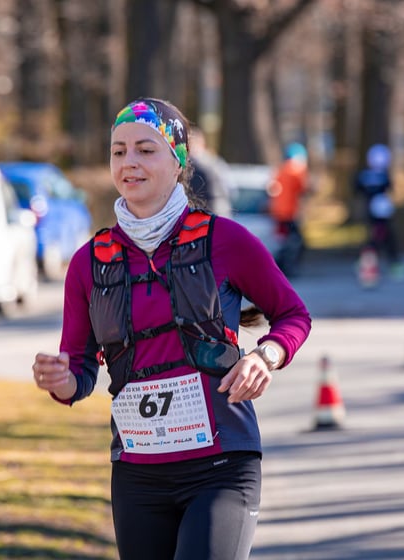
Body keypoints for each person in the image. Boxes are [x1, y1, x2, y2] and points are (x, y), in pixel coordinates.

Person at [32, 97, 312, 559]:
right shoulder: (88, 262)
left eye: (146, 149)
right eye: (118, 151)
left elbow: (293, 314)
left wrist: (267, 355)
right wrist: (61, 380)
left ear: (178, 160)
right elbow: (79, 370)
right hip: (137, 474)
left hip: (221, 466)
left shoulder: (225, 240)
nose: (129, 163)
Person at [353, 143, 404, 281]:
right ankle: (371, 263)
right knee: (380, 237)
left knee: (382, 237)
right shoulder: (376, 176)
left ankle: (373, 262)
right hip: (377, 211)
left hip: (376, 211)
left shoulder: (366, 176)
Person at [268, 142, 308, 276]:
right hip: (289, 213)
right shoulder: (296, 169)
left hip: (278, 212)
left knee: (283, 241)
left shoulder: (280, 169)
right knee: (295, 242)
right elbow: (303, 188)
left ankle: (280, 266)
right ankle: (287, 268)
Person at [187, 126, 233, 217]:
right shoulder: (217, 161)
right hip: (222, 210)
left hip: (206, 212)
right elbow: (231, 188)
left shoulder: (193, 164)